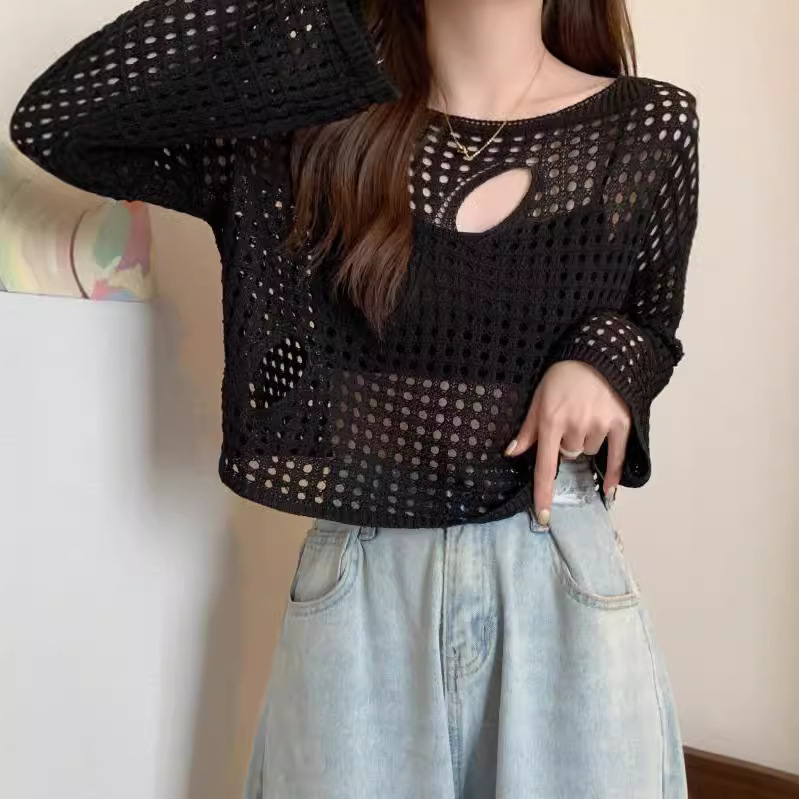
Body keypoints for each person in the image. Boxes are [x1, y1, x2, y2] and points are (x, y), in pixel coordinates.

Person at [10, 0, 699, 796]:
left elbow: (651, 321)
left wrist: (604, 359)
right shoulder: (315, 127)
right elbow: (63, 120)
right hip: (364, 576)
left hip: (557, 569)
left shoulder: (646, 126)